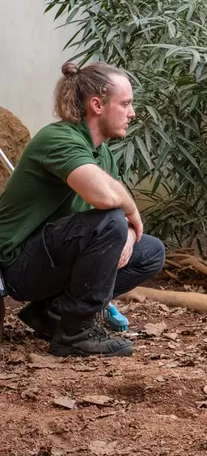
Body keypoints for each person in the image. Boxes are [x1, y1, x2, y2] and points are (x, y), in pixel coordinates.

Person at [0, 62, 165, 357]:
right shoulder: (59, 139)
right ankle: (76, 334)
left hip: (48, 259)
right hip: (14, 264)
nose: (133, 113)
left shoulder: (101, 153)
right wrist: (130, 212)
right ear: (97, 105)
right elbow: (104, 198)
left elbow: (109, 215)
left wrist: (127, 231)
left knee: (150, 251)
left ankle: (53, 314)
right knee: (112, 219)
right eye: (125, 104)